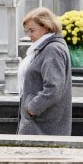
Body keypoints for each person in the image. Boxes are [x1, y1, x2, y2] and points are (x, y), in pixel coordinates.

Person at [17, 7, 72, 135]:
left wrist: (32, 108)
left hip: (43, 126)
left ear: (46, 27)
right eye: (27, 31)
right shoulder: (45, 48)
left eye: (32, 30)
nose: (29, 35)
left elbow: (54, 88)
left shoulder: (52, 49)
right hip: (40, 123)